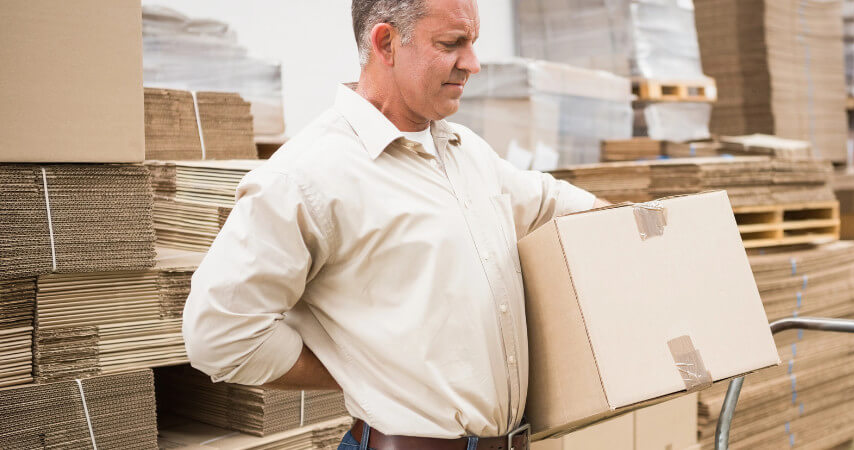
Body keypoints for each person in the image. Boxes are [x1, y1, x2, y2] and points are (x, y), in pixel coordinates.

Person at [181, 0, 606, 449]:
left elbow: (554, 203)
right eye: (452, 44)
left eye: (473, 43)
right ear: (387, 43)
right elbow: (219, 335)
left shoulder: (464, 151)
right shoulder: (306, 176)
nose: (473, 64)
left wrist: (658, 233)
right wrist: (360, 368)